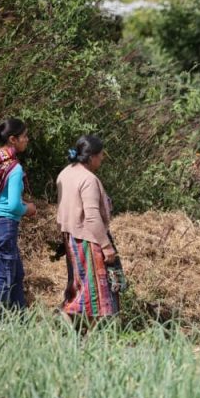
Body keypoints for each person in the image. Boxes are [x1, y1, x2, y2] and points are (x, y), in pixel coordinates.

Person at [56, 135, 121, 321]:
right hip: (88, 238)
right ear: (91, 157)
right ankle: (67, 316)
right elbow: (91, 216)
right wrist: (106, 246)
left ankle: (78, 328)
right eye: (100, 156)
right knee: (92, 287)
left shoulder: (66, 172)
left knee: (78, 282)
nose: (101, 160)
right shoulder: (88, 179)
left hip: (70, 236)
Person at [0, 118, 37, 314]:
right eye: (24, 136)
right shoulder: (13, 167)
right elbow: (12, 205)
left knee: (16, 273)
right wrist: (28, 209)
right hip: (4, 224)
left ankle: (20, 320)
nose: (27, 140)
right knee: (4, 276)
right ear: (13, 139)